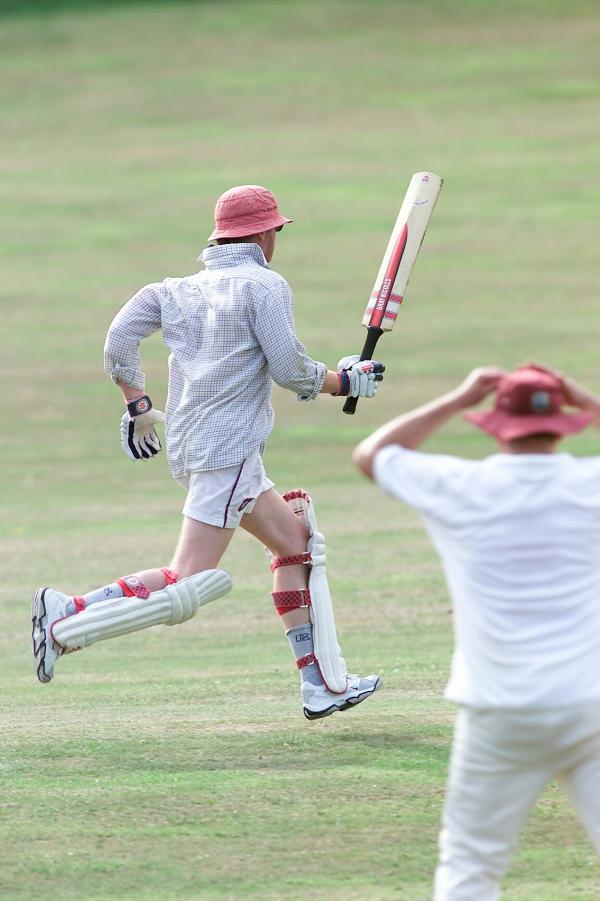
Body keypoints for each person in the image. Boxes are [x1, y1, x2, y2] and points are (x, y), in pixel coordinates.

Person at [32, 184, 384, 721]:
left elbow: (117, 342)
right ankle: (68, 613)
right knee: (187, 581)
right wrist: (345, 382)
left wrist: (137, 403)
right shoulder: (264, 284)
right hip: (229, 449)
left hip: (195, 443)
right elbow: (289, 369)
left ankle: (319, 683)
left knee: (296, 548)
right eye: (277, 231)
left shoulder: (172, 289)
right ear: (265, 233)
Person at [353, 363, 600, 899]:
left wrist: (458, 397)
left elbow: (371, 455)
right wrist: (585, 398)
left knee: (470, 865)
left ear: (495, 424)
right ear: (563, 424)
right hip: (589, 704)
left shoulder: (462, 485)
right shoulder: (589, 484)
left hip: (497, 708)